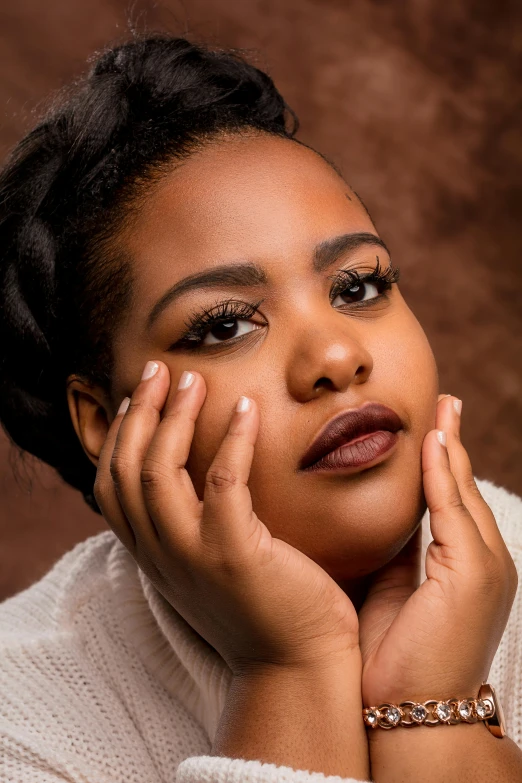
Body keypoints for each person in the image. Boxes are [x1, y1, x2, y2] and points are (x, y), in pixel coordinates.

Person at [0, 32, 521, 783]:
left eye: (358, 286)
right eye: (224, 325)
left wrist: (432, 707)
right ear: (107, 420)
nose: (338, 358)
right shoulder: (22, 719)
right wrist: (288, 668)